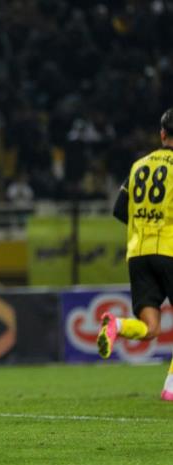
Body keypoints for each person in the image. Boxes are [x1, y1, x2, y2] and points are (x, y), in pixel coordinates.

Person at [99, 107, 173, 400]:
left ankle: (116, 325)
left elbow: (120, 210)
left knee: (150, 327)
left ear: (162, 134)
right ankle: (170, 388)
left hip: (138, 254)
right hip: (169, 250)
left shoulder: (139, 166)